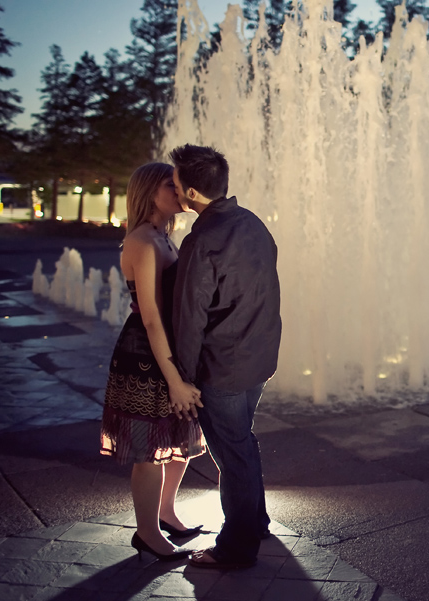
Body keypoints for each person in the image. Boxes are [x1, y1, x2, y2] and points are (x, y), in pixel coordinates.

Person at [169, 144, 282, 570]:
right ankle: (255, 521)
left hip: (224, 367)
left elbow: (189, 319)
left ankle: (236, 547)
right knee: (242, 442)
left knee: (232, 453)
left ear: (192, 193)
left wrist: (181, 379)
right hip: (258, 358)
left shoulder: (202, 241)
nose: (174, 189)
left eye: (177, 184)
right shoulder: (252, 223)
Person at [100, 162, 206, 562]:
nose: (180, 192)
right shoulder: (142, 241)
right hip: (146, 355)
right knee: (149, 452)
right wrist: (174, 379)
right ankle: (146, 533)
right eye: (171, 185)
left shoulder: (162, 236)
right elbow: (149, 316)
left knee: (178, 446)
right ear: (150, 191)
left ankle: (165, 514)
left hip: (168, 350)